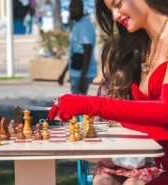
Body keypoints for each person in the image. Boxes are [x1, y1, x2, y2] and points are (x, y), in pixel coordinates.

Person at [49, 0, 168, 184]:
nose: (115, 16)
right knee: (102, 181)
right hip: (140, 158)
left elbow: (165, 111)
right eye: (110, 9)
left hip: (159, 161)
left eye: (117, 4)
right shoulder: (144, 44)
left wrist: (90, 105)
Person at [58, 0, 97, 95]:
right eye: (70, 8)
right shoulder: (77, 24)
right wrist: (63, 74)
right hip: (76, 73)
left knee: (78, 106)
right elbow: (74, 53)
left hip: (81, 75)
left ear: (82, 9)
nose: (71, 10)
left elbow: (87, 51)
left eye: (74, 8)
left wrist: (82, 78)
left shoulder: (85, 25)